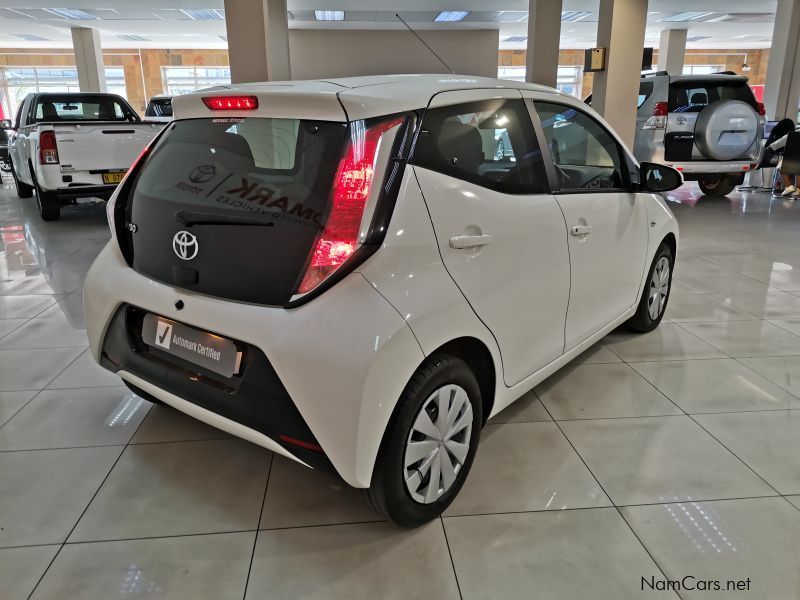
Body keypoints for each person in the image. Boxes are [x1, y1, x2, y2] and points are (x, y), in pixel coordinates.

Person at [769, 125, 800, 196]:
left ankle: (789, 186)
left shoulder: (794, 133)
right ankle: (798, 189)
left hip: (791, 160)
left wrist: (769, 148)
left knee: (780, 167)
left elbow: (778, 143)